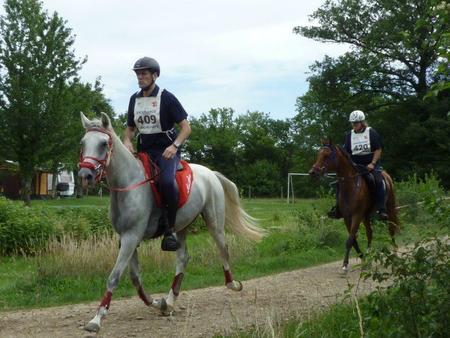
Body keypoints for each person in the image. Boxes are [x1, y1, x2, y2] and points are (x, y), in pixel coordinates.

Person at [123, 56, 192, 251]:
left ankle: (170, 230)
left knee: (167, 183)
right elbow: (129, 129)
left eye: (144, 73)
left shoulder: (167, 98)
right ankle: (131, 226)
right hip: (144, 151)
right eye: (138, 74)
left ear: (155, 75)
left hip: (166, 152)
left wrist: (175, 146)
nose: (140, 77)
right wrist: (127, 141)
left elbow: (186, 128)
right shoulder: (133, 99)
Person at [328, 110, 388, 220]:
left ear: (362, 122)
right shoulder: (349, 135)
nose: (354, 125)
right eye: (352, 123)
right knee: (339, 183)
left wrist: (373, 163)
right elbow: (346, 153)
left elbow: (378, 149)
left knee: (379, 181)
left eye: (356, 123)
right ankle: (338, 208)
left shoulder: (371, 133)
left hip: (371, 164)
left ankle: (381, 209)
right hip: (355, 165)